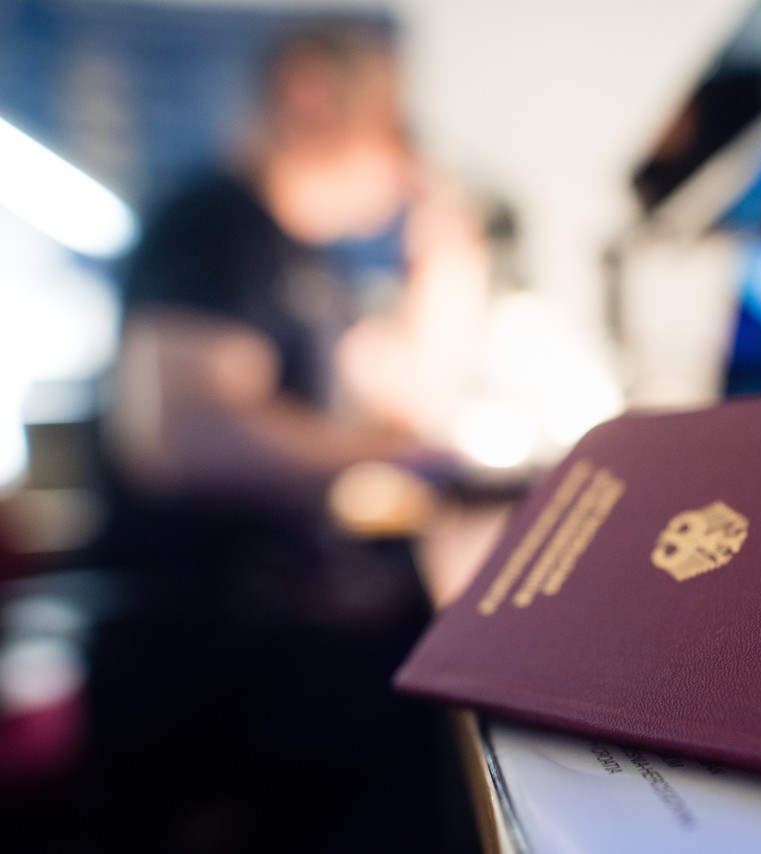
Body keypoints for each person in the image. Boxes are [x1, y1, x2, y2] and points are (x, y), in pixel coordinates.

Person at [88, 28, 484, 852]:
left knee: (457, 642)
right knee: (459, 698)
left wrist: (446, 261)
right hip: (213, 646)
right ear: (310, 97)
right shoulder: (212, 227)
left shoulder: (301, 261)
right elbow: (181, 439)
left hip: (274, 625)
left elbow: (413, 393)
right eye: (389, 123)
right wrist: (399, 458)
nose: (401, 153)